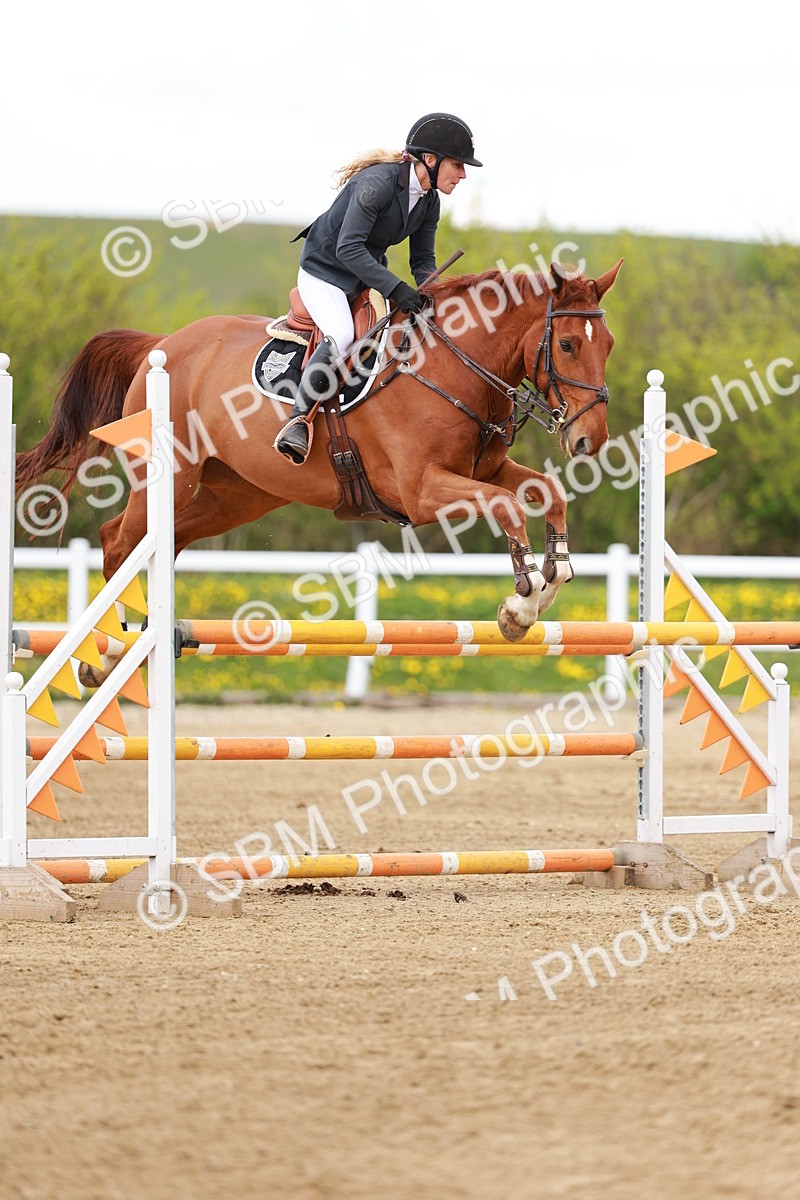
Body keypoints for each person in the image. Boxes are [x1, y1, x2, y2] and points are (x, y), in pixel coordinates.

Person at [275, 112, 482, 463]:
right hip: (324, 271)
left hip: (362, 276)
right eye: (458, 165)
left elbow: (422, 261)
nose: (462, 175)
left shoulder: (429, 201)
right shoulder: (376, 185)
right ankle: (298, 420)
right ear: (430, 161)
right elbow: (348, 248)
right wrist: (397, 289)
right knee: (341, 334)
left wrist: (435, 294)